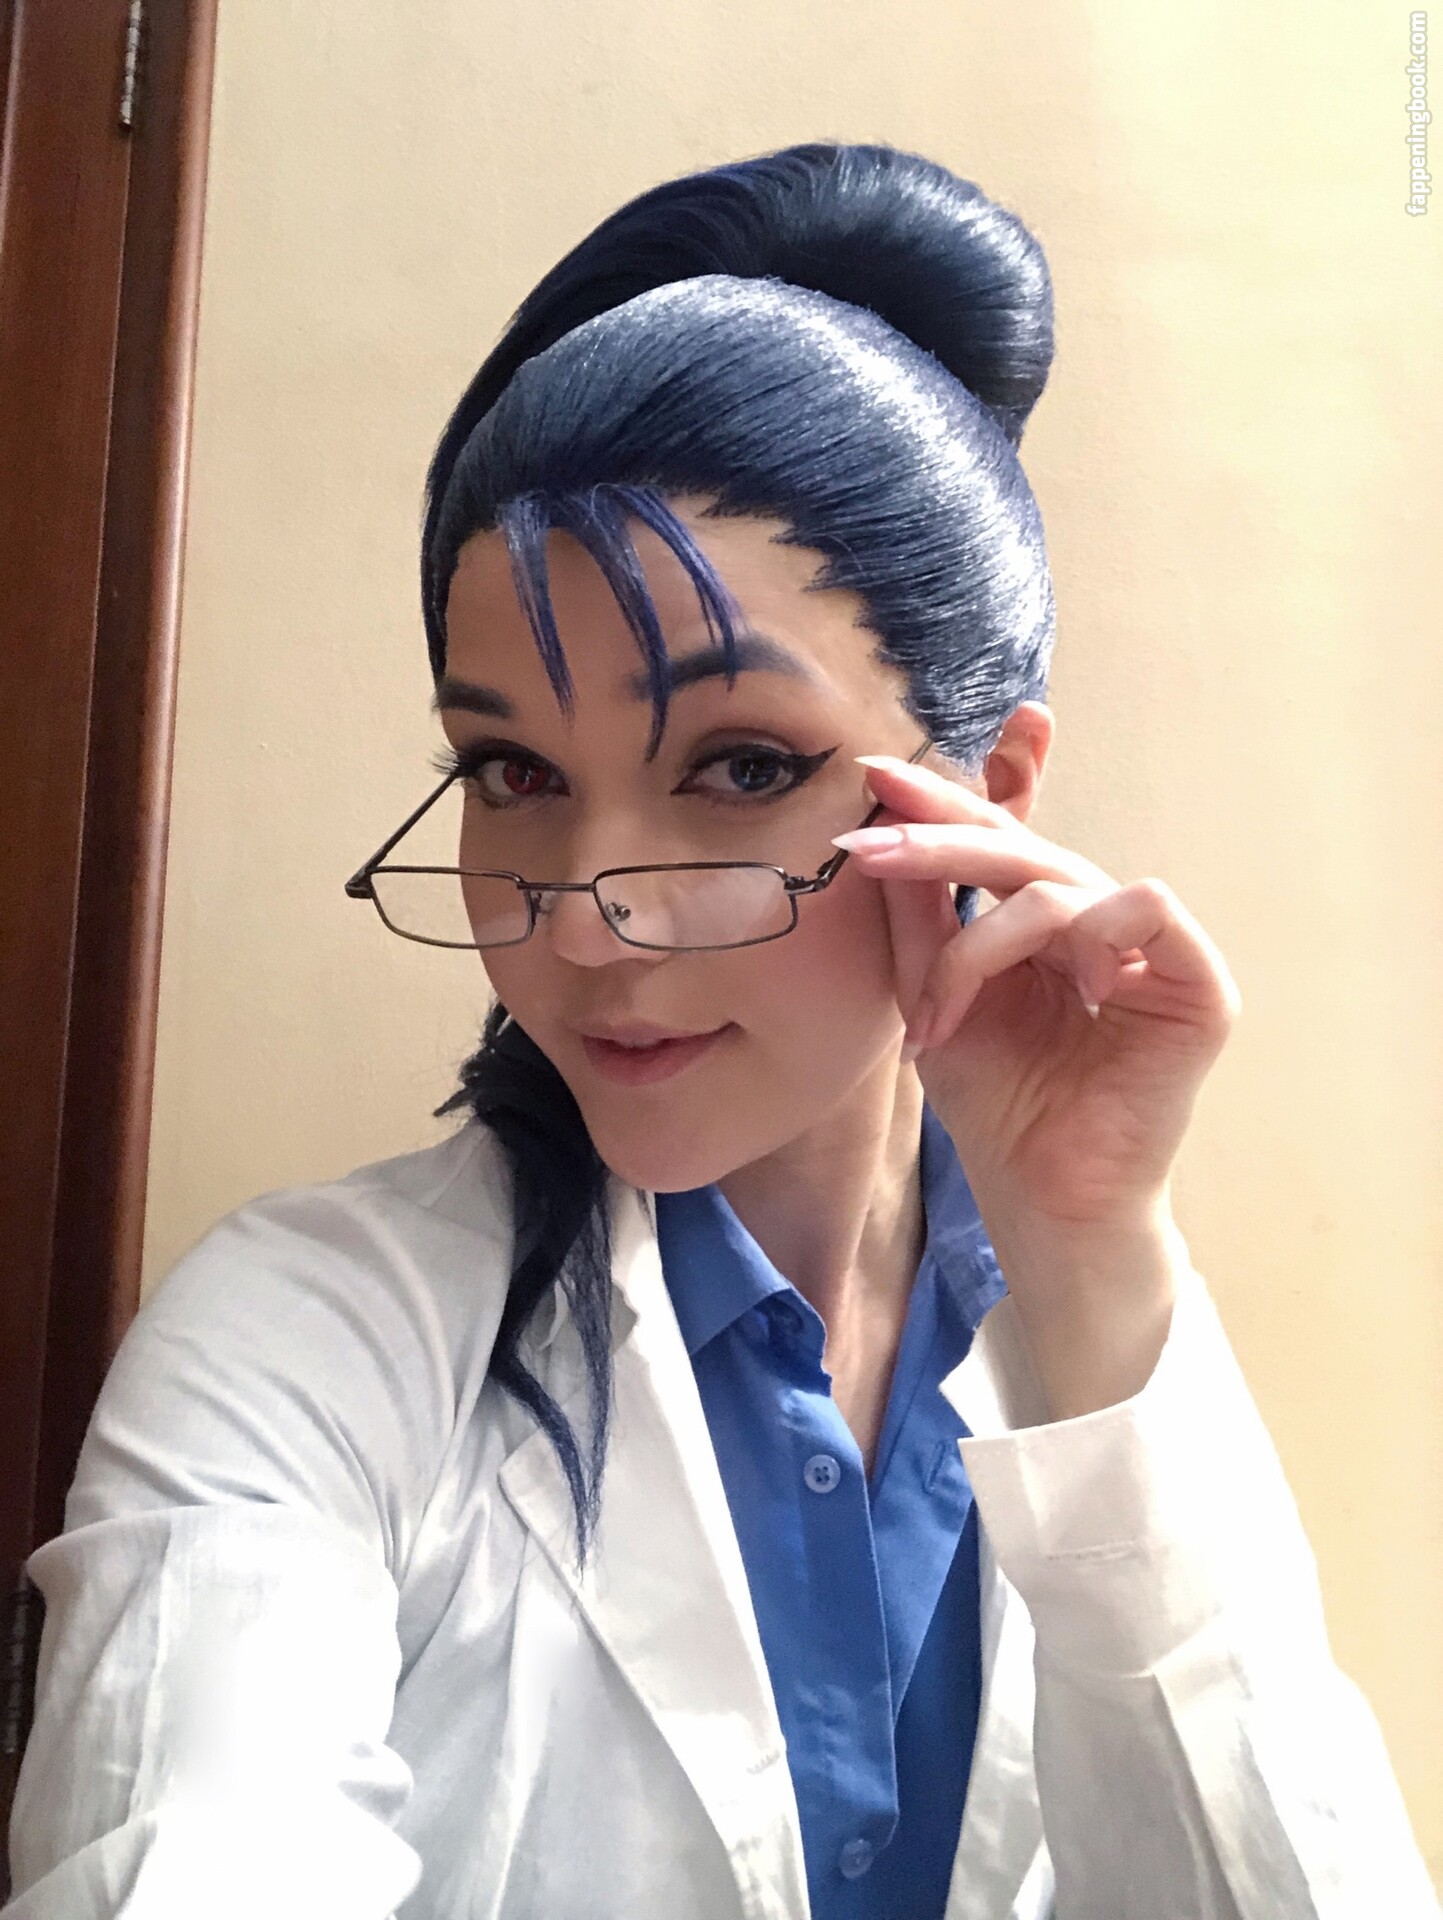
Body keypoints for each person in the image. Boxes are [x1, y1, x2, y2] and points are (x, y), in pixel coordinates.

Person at [5, 143, 1437, 1920]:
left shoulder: (1093, 1331)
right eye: (513, 772)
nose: (581, 914)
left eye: (742, 767)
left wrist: (1091, 1254)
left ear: (988, 794)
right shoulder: (310, 1340)